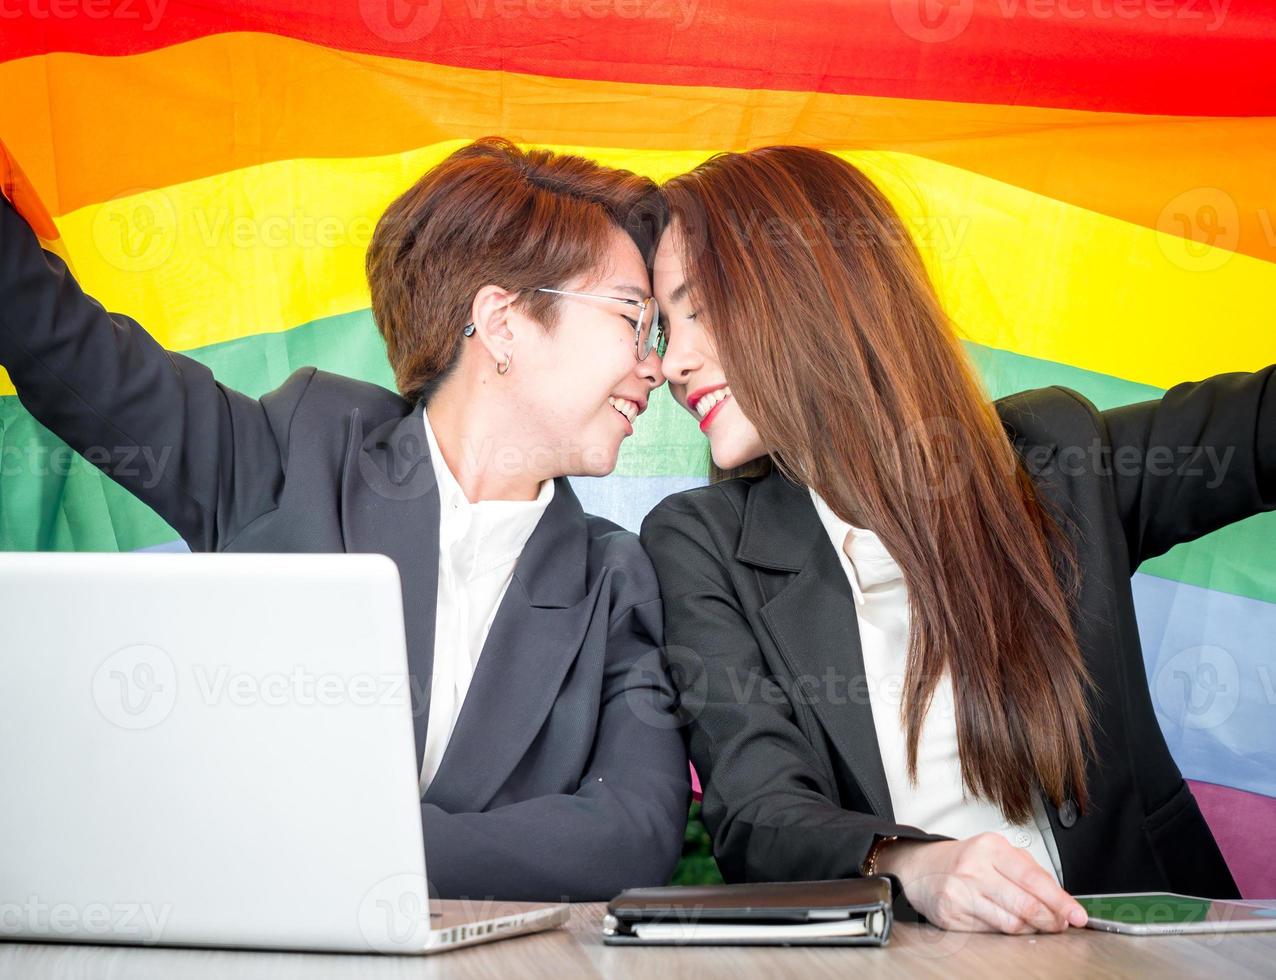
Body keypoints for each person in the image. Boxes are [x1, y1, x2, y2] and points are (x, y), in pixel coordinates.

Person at [0, 137, 690, 902]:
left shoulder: (615, 580)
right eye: (633, 317)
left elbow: (633, 836)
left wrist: (327, 848)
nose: (654, 364)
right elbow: (58, 344)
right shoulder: (291, 454)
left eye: (655, 332)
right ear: (502, 323)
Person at [640, 145, 1266, 933]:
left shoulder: (1056, 458)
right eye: (664, 326)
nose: (672, 363)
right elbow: (757, 810)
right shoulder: (699, 545)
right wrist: (910, 863)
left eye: (698, 310)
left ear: (812, 295)